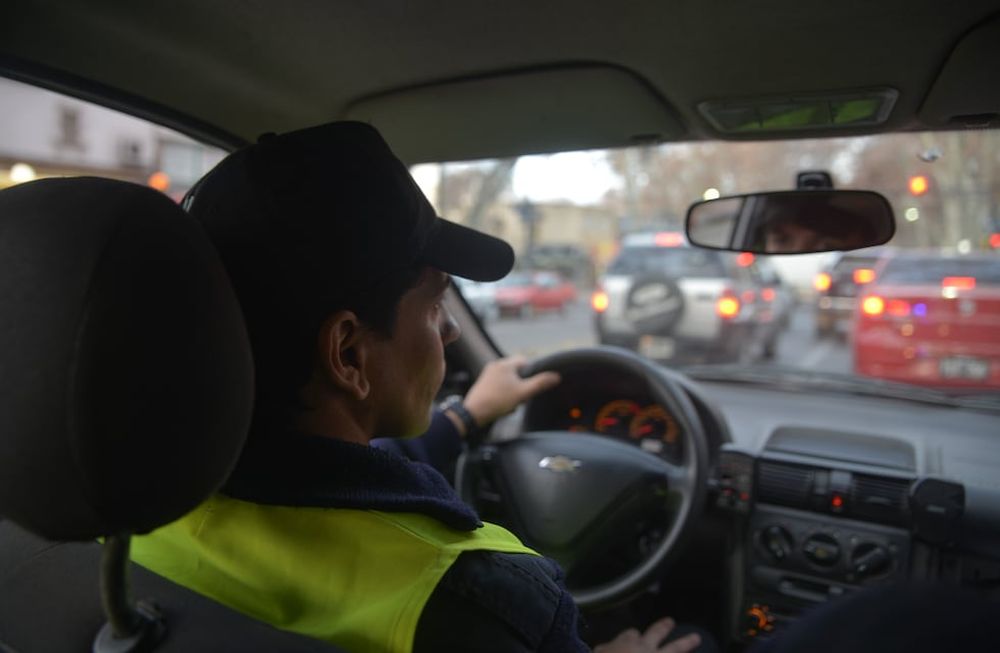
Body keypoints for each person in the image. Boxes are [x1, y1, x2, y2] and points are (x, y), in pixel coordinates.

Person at [130, 121, 704, 653]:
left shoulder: (126, 507)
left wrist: (466, 416)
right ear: (348, 353)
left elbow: (329, 473)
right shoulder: (479, 596)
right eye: (433, 306)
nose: (451, 329)